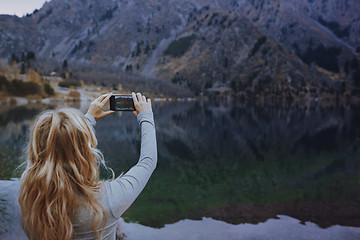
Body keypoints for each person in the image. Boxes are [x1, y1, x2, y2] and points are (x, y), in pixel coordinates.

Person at [18, 92, 157, 240]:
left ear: (36, 151)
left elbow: (56, 149)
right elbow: (148, 161)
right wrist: (146, 116)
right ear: (85, 151)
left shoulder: (32, 198)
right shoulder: (110, 199)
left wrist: (88, 118)